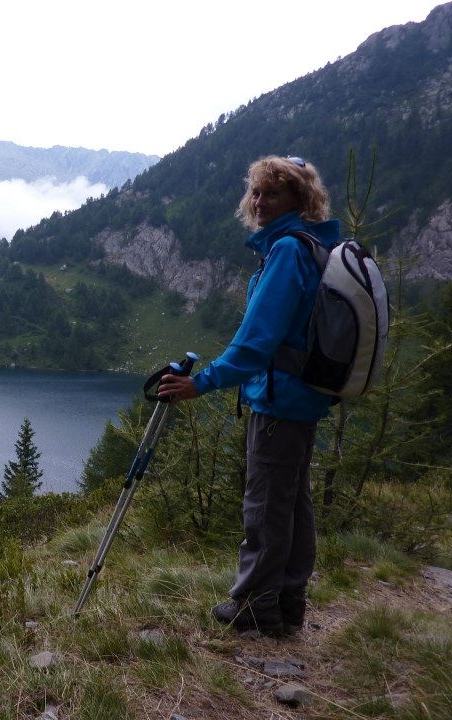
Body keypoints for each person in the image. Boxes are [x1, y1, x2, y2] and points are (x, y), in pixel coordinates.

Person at [157, 155, 340, 637]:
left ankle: (255, 606)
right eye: (256, 193)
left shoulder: (286, 251)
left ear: (298, 201)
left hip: (280, 400)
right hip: (304, 398)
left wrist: (203, 382)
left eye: (272, 194)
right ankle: (287, 603)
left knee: (264, 506)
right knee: (293, 503)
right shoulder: (311, 246)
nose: (259, 203)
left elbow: (256, 341)